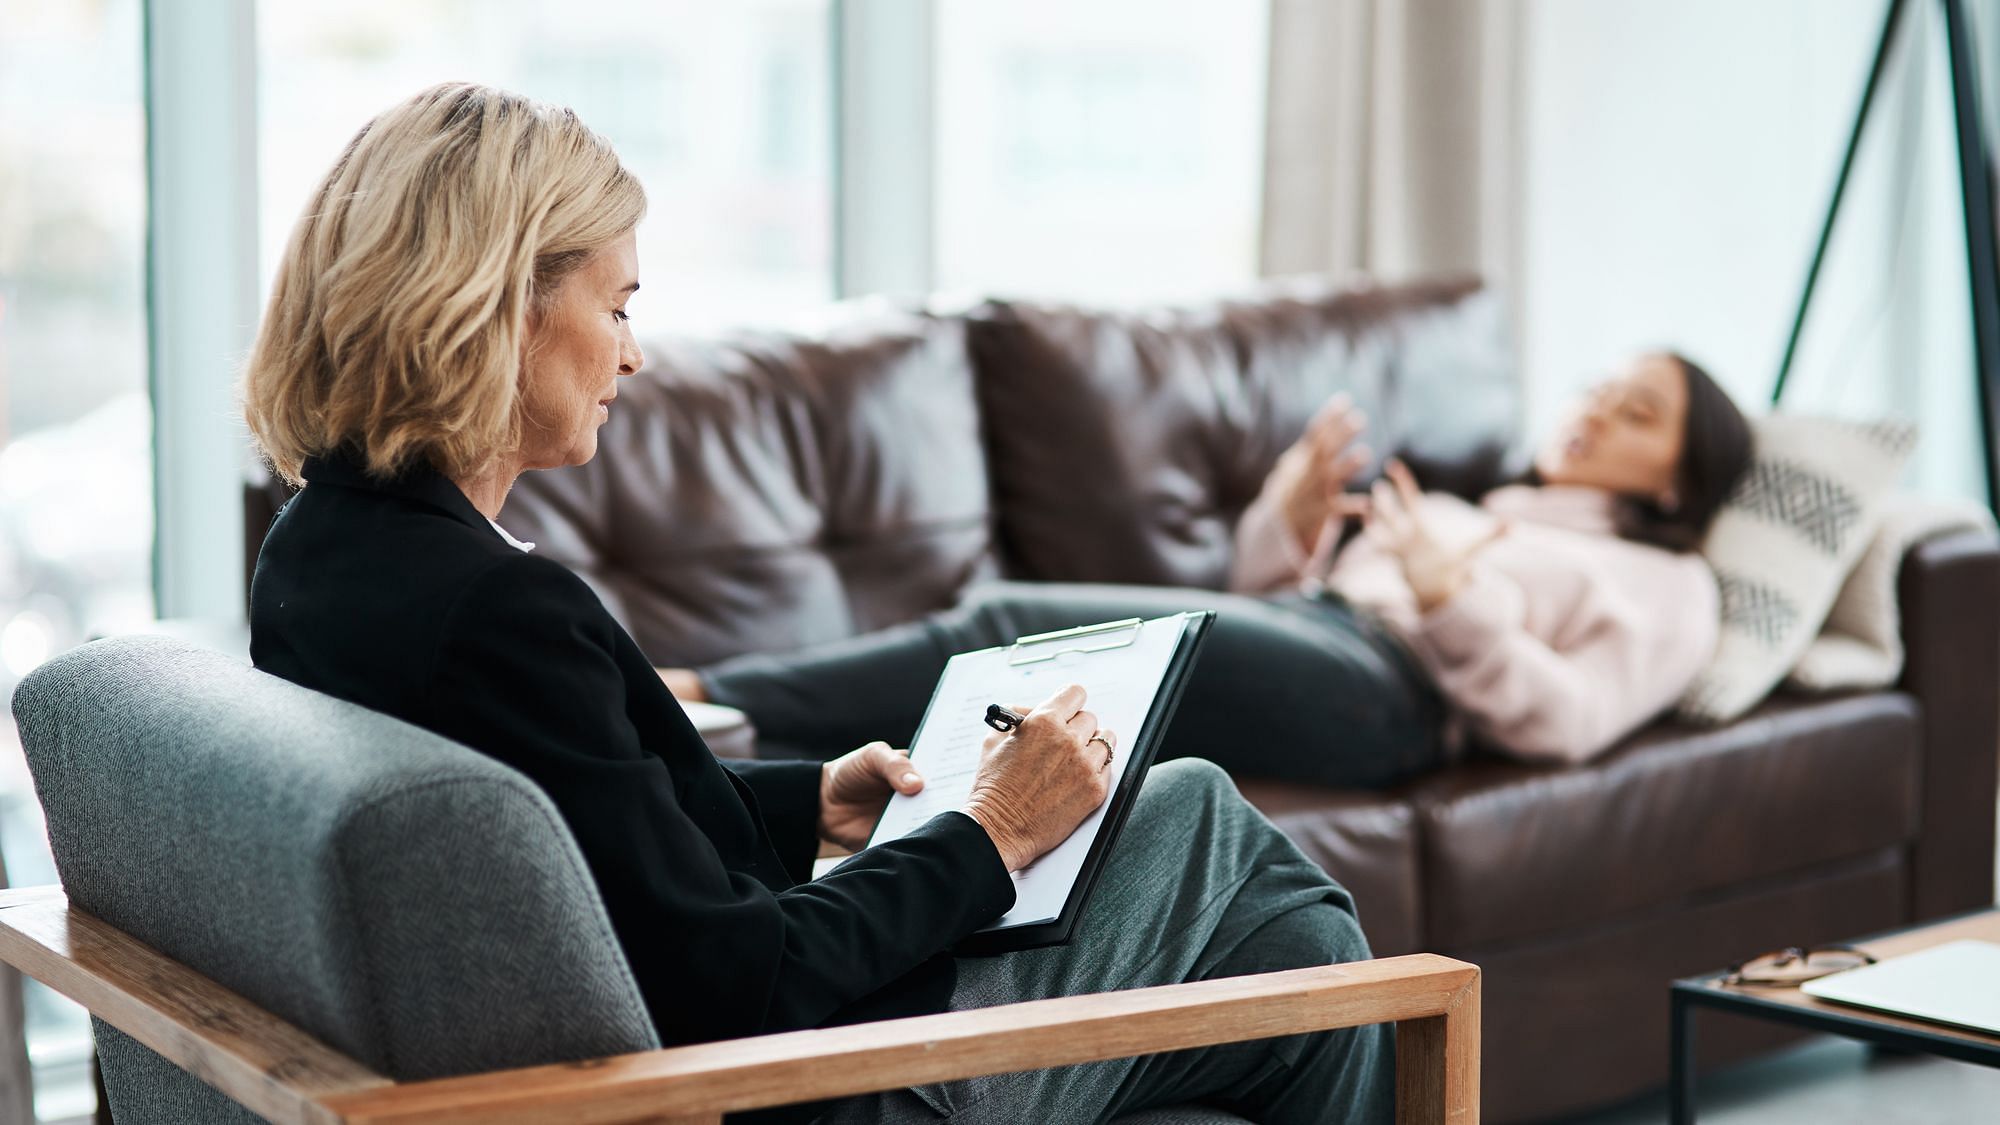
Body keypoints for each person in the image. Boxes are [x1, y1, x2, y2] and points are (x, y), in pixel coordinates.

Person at [241, 82, 1390, 1125]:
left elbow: (583, 836)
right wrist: (986, 832)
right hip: (792, 1092)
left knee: (1305, 964)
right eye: (619, 306)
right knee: (1196, 814)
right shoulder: (499, 612)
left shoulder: (324, 548)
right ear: (496, 309)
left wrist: (809, 803)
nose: (632, 359)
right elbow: (739, 980)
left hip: (648, 1060)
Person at [666, 351, 1755, 787]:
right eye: (1603, 387)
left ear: (1678, 478)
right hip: (1328, 640)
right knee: (1001, 699)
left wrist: (1447, 596)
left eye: (1638, 413)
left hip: (1396, 697)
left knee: (1012, 623)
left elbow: (1565, 723)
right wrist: (1285, 523)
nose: (1598, 409)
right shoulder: (1486, 507)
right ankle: (720, 771)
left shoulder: (1670, 587)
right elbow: (1263, 610)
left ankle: (703, 701)